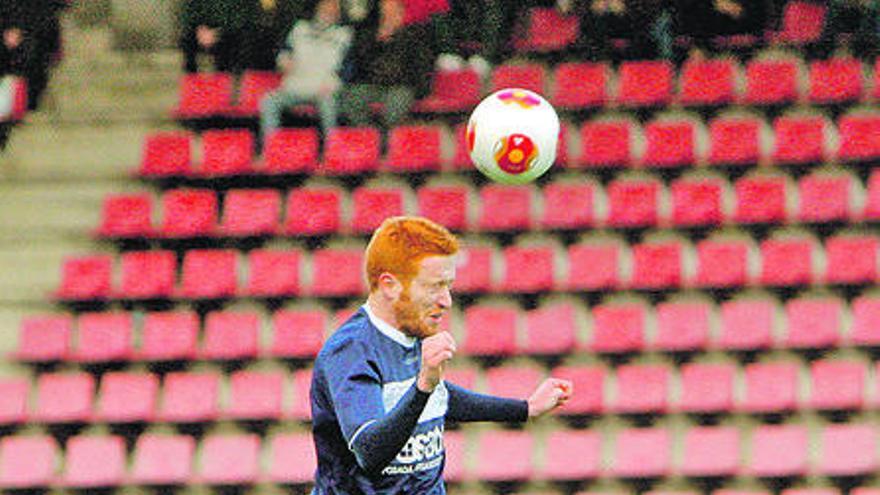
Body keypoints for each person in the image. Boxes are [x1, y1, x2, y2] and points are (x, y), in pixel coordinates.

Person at [310, 216, 574, 493]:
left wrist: (525, 408)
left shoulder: (408, 332)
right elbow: (369, 452)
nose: (446, 301)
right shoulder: (351, 351)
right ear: (389, 285)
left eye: (448, 286)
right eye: (434, 286)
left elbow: (440, 397)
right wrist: (423, 386)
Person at [259, 0, 352, 140]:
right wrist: (283, 61)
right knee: (269, 101)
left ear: (339, 13)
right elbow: (284, 52)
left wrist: (334, 84)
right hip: (295, 86)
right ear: (318, 9)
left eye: (334, 9)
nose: (329, 11)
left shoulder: (345, 34)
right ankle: (272, 146)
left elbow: (349, 67)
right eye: (325, 7)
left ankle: (332, 148)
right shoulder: (300, 28)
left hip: (323, 89)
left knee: (329, 105)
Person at [339, 0, 434, 129]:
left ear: (401, 13)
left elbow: (422, 67)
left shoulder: (413, 36)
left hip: (400, 87)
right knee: (352, 98)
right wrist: (377, 41)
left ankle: (387, 137)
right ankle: (369, 135)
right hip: (373, 85)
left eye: (392, 12)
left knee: (396, 107)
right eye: (385, 13)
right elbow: (359, 62)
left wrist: (417, 90)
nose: (388, 17)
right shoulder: (369, 35)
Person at [179, 0, 256, 74]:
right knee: (188, 39)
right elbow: (191, 9)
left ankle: (225, 75)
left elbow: (245, 14)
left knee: (235, 41)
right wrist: (201, 27)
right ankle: (193, 78)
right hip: (205, 27)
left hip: (231, 29)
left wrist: (219, 30)